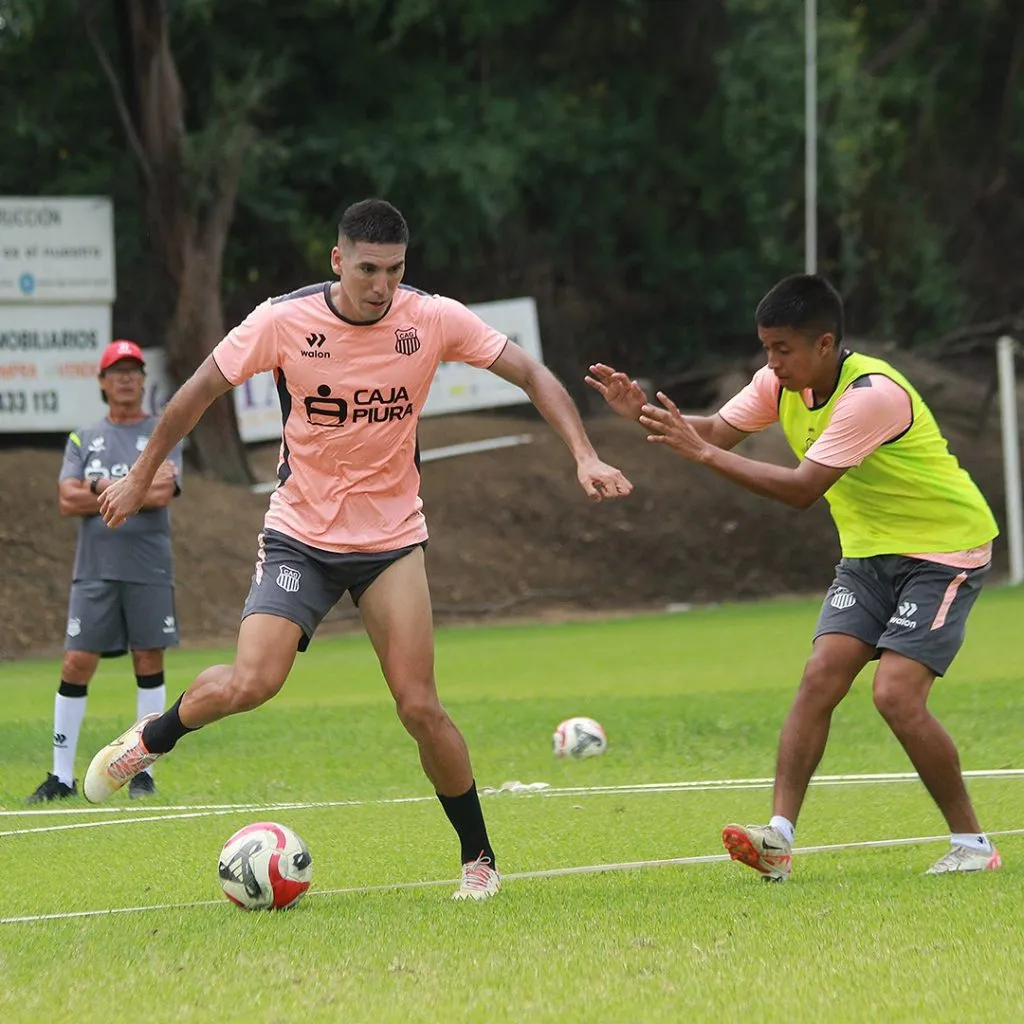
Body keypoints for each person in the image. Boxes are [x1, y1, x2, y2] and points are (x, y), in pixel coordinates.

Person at [84, 198, 633, 900]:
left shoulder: (431, 318)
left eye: (395, 270)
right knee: (253, 682)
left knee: (419, 707)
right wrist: (140, 475)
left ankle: (479, 859)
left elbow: (530, 372)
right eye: (368, 269)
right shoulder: (283, 320)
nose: (382, 285)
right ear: (338, 260)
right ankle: (151, 740)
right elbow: (198, 391)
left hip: (391, 542)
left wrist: (584, 453)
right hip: (300, 536)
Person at [587, 273, 1002, 879]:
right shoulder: (777, 384)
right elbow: (716, 432)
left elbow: (802, 489)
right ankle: (777, 840)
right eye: (766, 348)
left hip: (942, 553)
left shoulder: (872, 396)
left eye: (782, 349)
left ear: (825, 344)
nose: (771, 362)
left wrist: (701, 453)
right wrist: (641, 414)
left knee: (894, 695)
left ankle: (973, 844)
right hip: (868, 555)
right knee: (820, 676)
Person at [27, 339, 182, 804]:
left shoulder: (162, 432)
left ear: (143, 379)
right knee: (76, 662)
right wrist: (128, 487)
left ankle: (142, 773)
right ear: (102, 381)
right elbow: (65, 498)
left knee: (148, 660)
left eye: (134, 370)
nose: (126, 379)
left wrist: (94, 485)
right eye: (117, 371)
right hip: (94, 570)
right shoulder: (83, 438)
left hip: (148, 566)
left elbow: (161, 493)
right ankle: (60, 776)